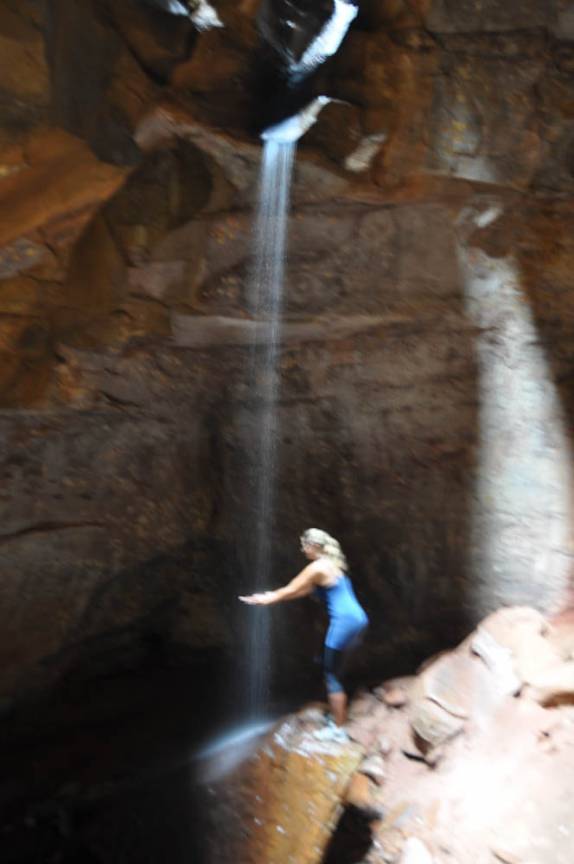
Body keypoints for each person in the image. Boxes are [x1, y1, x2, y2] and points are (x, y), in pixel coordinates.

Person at [239, 528, 368, 741]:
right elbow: (304, 591)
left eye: (304, 545)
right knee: (327, 660)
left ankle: (338, 729)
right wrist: (277, 598)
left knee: (331, 675)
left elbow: (291, 588)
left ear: (314, 546)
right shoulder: (333, 566)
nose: (302, 549)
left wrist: (268, 598)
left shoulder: (316, 567)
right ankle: (339, 710)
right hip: (359, 620)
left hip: (344, 622)